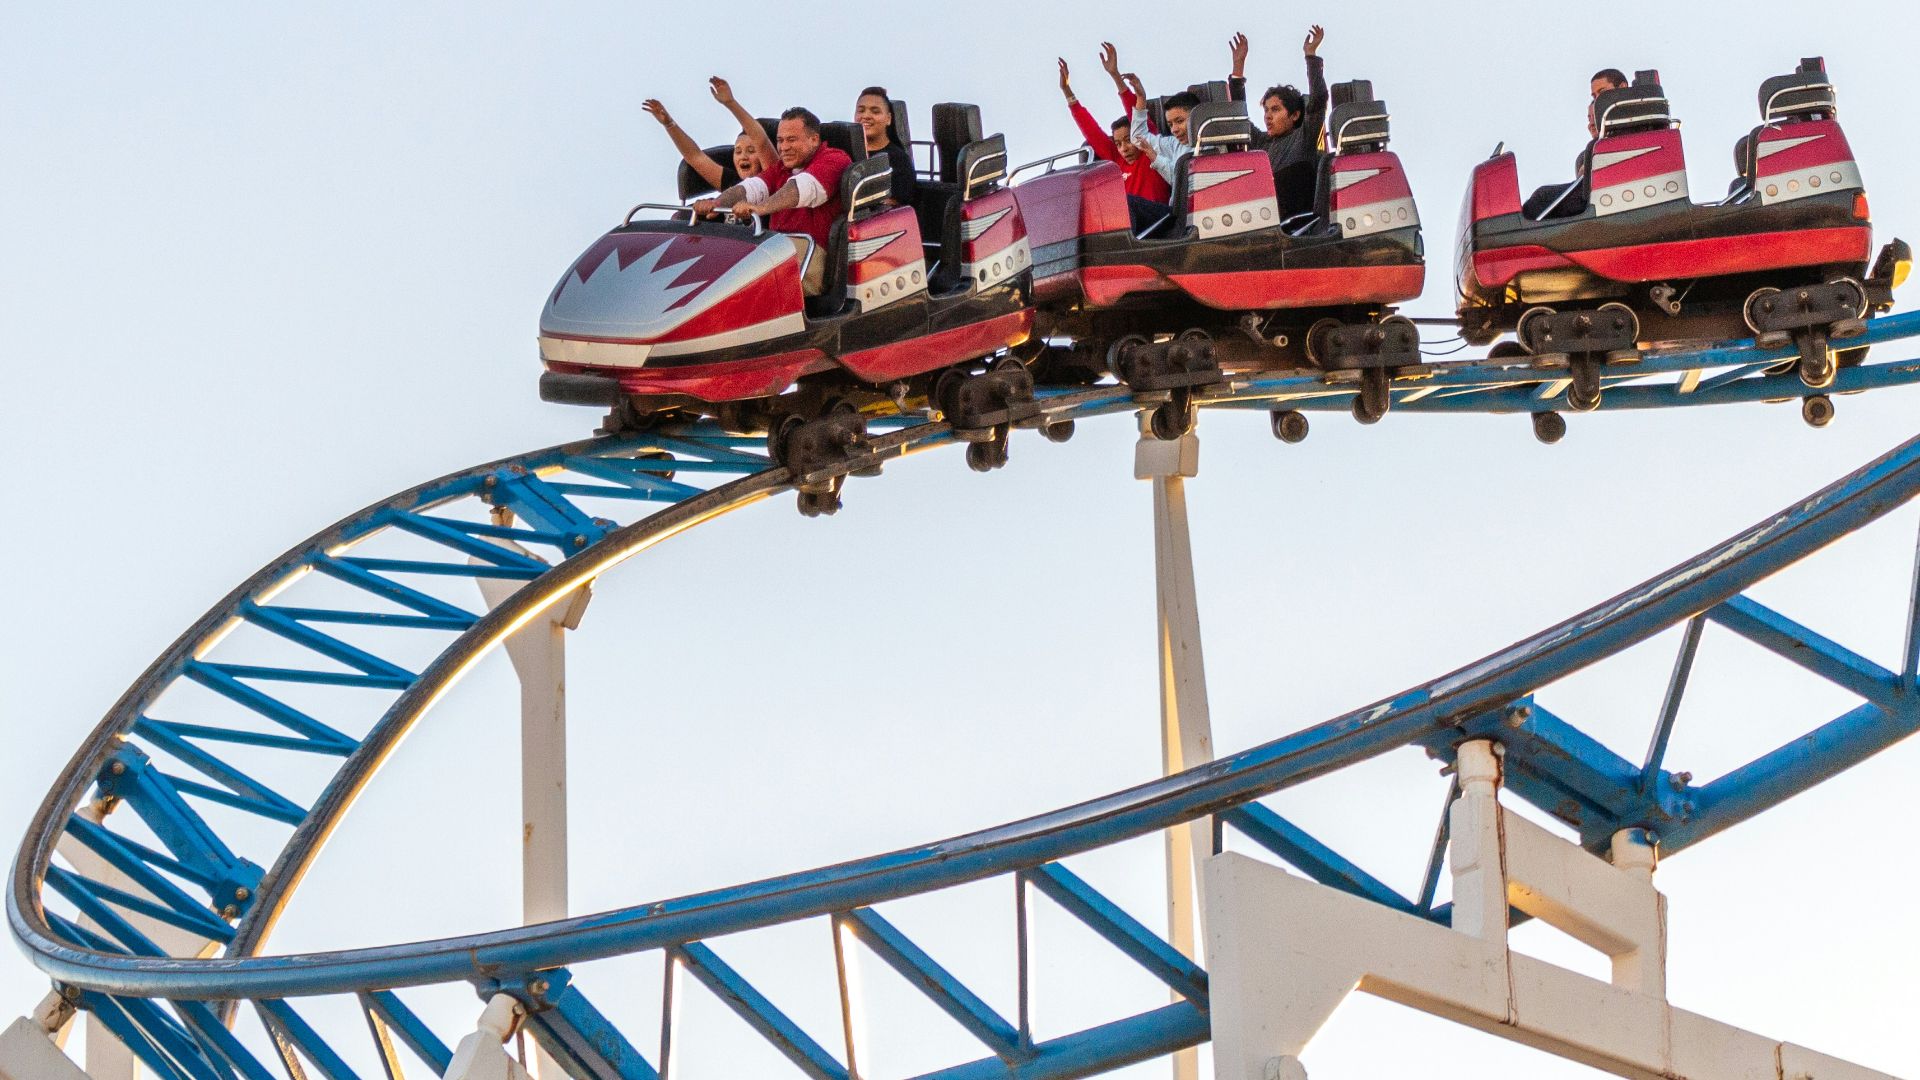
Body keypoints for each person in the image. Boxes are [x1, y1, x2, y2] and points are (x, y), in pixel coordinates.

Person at [693, 99, 853, 296]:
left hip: (811, 254)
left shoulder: (834, 159)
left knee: (742, 283)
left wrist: (761, 208)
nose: (784, 147)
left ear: (814, 139)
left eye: (791, 139)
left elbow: (800, 189)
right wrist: (716, 204)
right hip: (776, 249)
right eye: (780, 140)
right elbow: (750, 188)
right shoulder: (782, 168)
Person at [1057, 50, 1172, 233]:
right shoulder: (1117, 161)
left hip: (1161, 219)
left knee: (1125, 202)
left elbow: (1135, 114)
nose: (1124, 148)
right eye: (1118, 144)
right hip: (1133, 224)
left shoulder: (1148, 149)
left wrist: (1115, 76)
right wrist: (1067, 92)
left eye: (1128, 141)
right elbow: (1091, 131)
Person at [1227, 27, 1328, 219]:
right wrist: (1238, 68)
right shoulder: (1261, 143)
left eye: (1275, 110)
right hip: (1262, 220)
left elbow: (1318, 100)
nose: (1267, 116)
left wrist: (1311, 56)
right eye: (1265, 110)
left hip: (1297, 224)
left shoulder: (1304, 137)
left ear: (1295, 115)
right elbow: (1238, 119)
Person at [1523, 67, 1631, 219]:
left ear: (1622, 88)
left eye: (1602, 92)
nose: (1598, 99)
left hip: (1607, 192)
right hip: (1601, 191)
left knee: (1542, 197)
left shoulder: (1630, 119)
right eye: (1594, 96)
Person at [642, 98, 762, 193]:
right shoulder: (733, 184)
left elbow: (764, 143)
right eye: (738, 151)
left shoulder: (771, 183)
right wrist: (669, 124)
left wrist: (730, 102)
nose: (743, 156)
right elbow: (695, 157)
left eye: (751, 151)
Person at [1124, 74, 1198, 191]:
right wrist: (1141, 98)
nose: (1174, 129)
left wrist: (1155, 158)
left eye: (1179, 121)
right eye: (1170, 124)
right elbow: (1138, 138)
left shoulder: (1212, 145)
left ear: (1196, 117)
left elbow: (1183, 183)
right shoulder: (1174, 144)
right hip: (1175, 209)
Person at [853, 87, 918, 207]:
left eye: (875, 111)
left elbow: (893, 204)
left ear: (888, 119)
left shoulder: (898, 159)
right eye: (861, 111)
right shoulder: (844, 154)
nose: (866, 116)